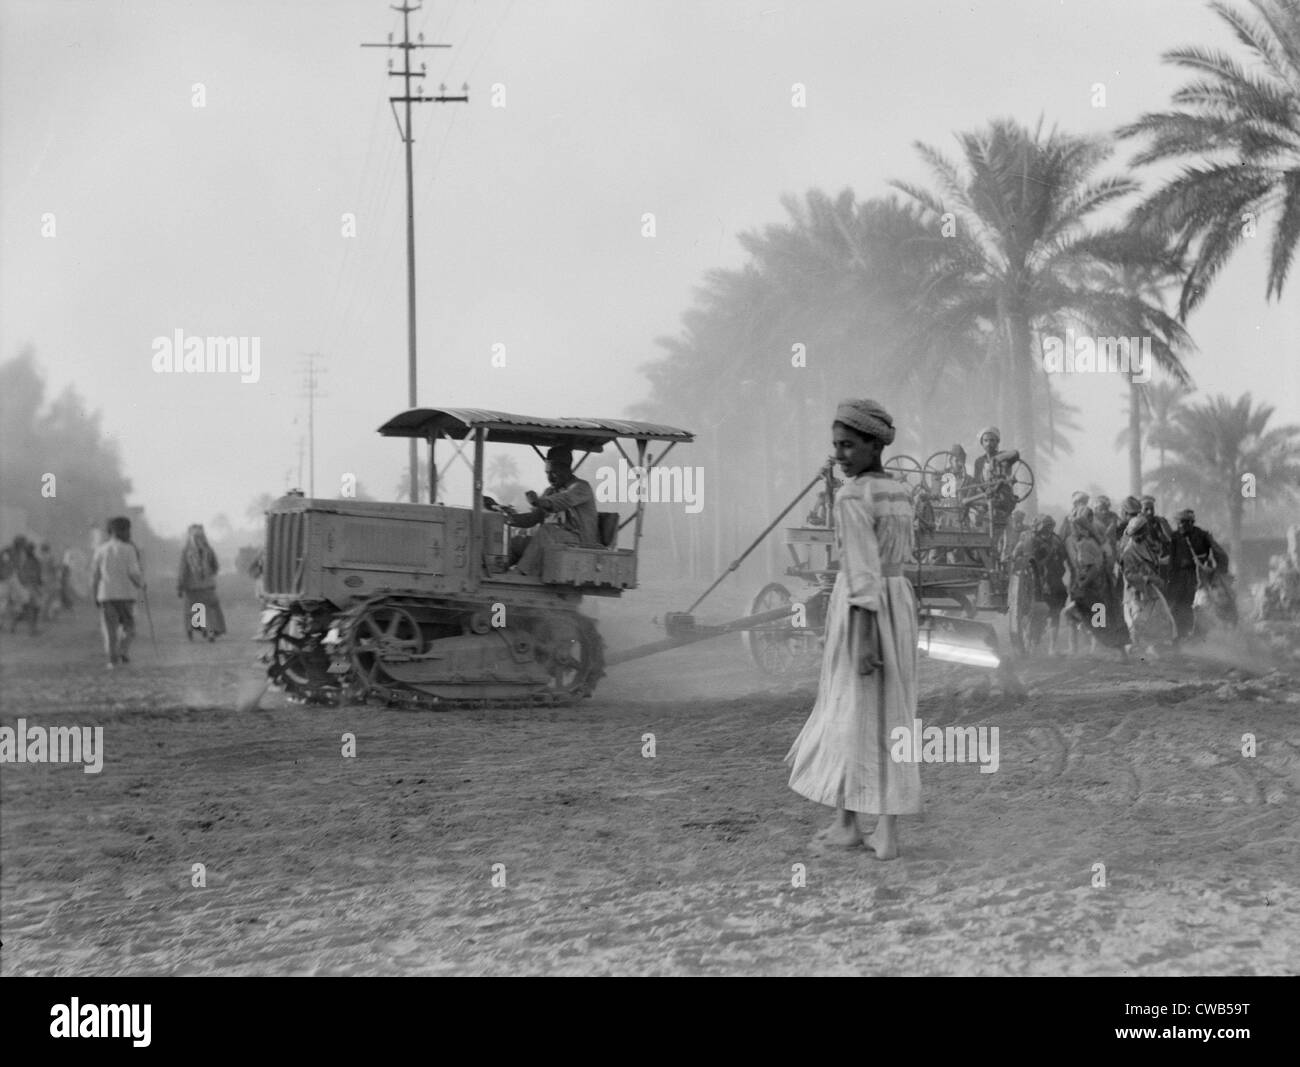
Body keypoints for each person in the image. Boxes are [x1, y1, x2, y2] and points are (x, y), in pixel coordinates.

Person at [786, 398, 919, 861]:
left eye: (848, 446)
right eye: (836, 446)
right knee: (891, 713)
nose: (840, 455)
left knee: (851, 710)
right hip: (897, 602)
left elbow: (861, 570)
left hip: (865, 609)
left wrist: (863, 638)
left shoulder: (852, 496)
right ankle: (862, 824)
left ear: (873, 444)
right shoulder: (899, 491)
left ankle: (877, 832)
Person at [504, 446, 600, 576]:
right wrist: (505, 517)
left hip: (581, 543)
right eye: (547, 473)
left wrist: (538, 501)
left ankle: (520, 573)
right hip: (560, 541)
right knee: (518, 542)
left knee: (546, 531)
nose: (550, 478)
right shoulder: (551, 491)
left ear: (566, 469)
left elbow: (560, 501)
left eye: (554, 472)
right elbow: (533, 518)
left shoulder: (581, 488)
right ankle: (498, 570)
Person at [1120, 514, 1176, 657]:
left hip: (1150, 590)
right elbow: (1129, 576)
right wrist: (1148, 578)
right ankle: (1132, 650)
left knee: (1161, 618)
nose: (1143, 534)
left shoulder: (1145, 545)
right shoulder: (1128, 552)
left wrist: (1163, 563)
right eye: (1140, 532)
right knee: (1138, 621)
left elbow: (1154, 560)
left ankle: (1151, 648)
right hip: (1136, 593)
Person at [91, 516, 144, 669]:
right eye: (128, 530)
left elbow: (95, 575)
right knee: (129, 628)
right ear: (122, 531)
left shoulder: (100, 550)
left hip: (106, 595)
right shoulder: (129, 549)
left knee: (109, 630)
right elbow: (134, 572)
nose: (129, 534)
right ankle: (122, 650)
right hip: (126, 596)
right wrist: (141, 584)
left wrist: (95, 594)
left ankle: (112, 660)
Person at [1171, 508, 1235, 633]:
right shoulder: (1173, 538)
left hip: (1203, 578)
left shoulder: (1203, 536)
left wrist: (1218, 572)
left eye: (1185, 522)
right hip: (1180, 579)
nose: (1182, 525)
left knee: (1216, 601)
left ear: (1192, 522)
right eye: (1179, 522)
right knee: (1175, 606)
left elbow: (1220, 555)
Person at [1014, 514, 1069, 655]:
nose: (1048, 530)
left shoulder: (1056, 540)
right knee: (1036, 614)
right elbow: (1019, 558)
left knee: (1055, 614)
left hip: (1053, 580)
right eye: (1045, 527)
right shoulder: (1028, 539)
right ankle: (1031, 643)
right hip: (1034, 583)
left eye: (1050, 527)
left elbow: (1063, 557)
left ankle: (1052, 647)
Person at [178, 524, 227, 641]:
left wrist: (180, 585)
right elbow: (215, 566)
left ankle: (198, 629)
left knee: (196, 609)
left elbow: (183, 570)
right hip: (208, 585)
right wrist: (209, 574)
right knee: (209, 610)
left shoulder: (187, 551)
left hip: (192, 587)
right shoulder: (209, 550)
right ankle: (209, 632)